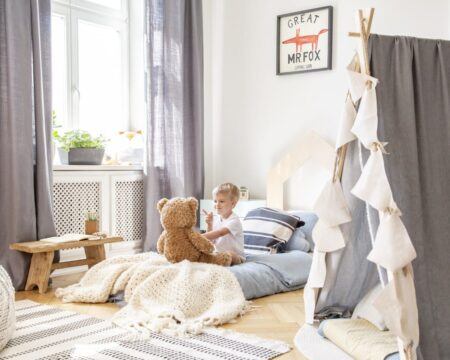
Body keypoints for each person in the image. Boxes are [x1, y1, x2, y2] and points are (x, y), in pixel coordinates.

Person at [203, 183, 245, 265]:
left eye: (221, 201)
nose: (217, 205)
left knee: (230, 254)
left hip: (237, 257)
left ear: (233, 204)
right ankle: (218, 260)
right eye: (215, 201)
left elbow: (220, 233)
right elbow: (210, 241)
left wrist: (198, 237)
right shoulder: (216, 219)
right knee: (208, 252)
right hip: (219, 254)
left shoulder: (234, 221)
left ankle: (220, 260)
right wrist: (209, 224)